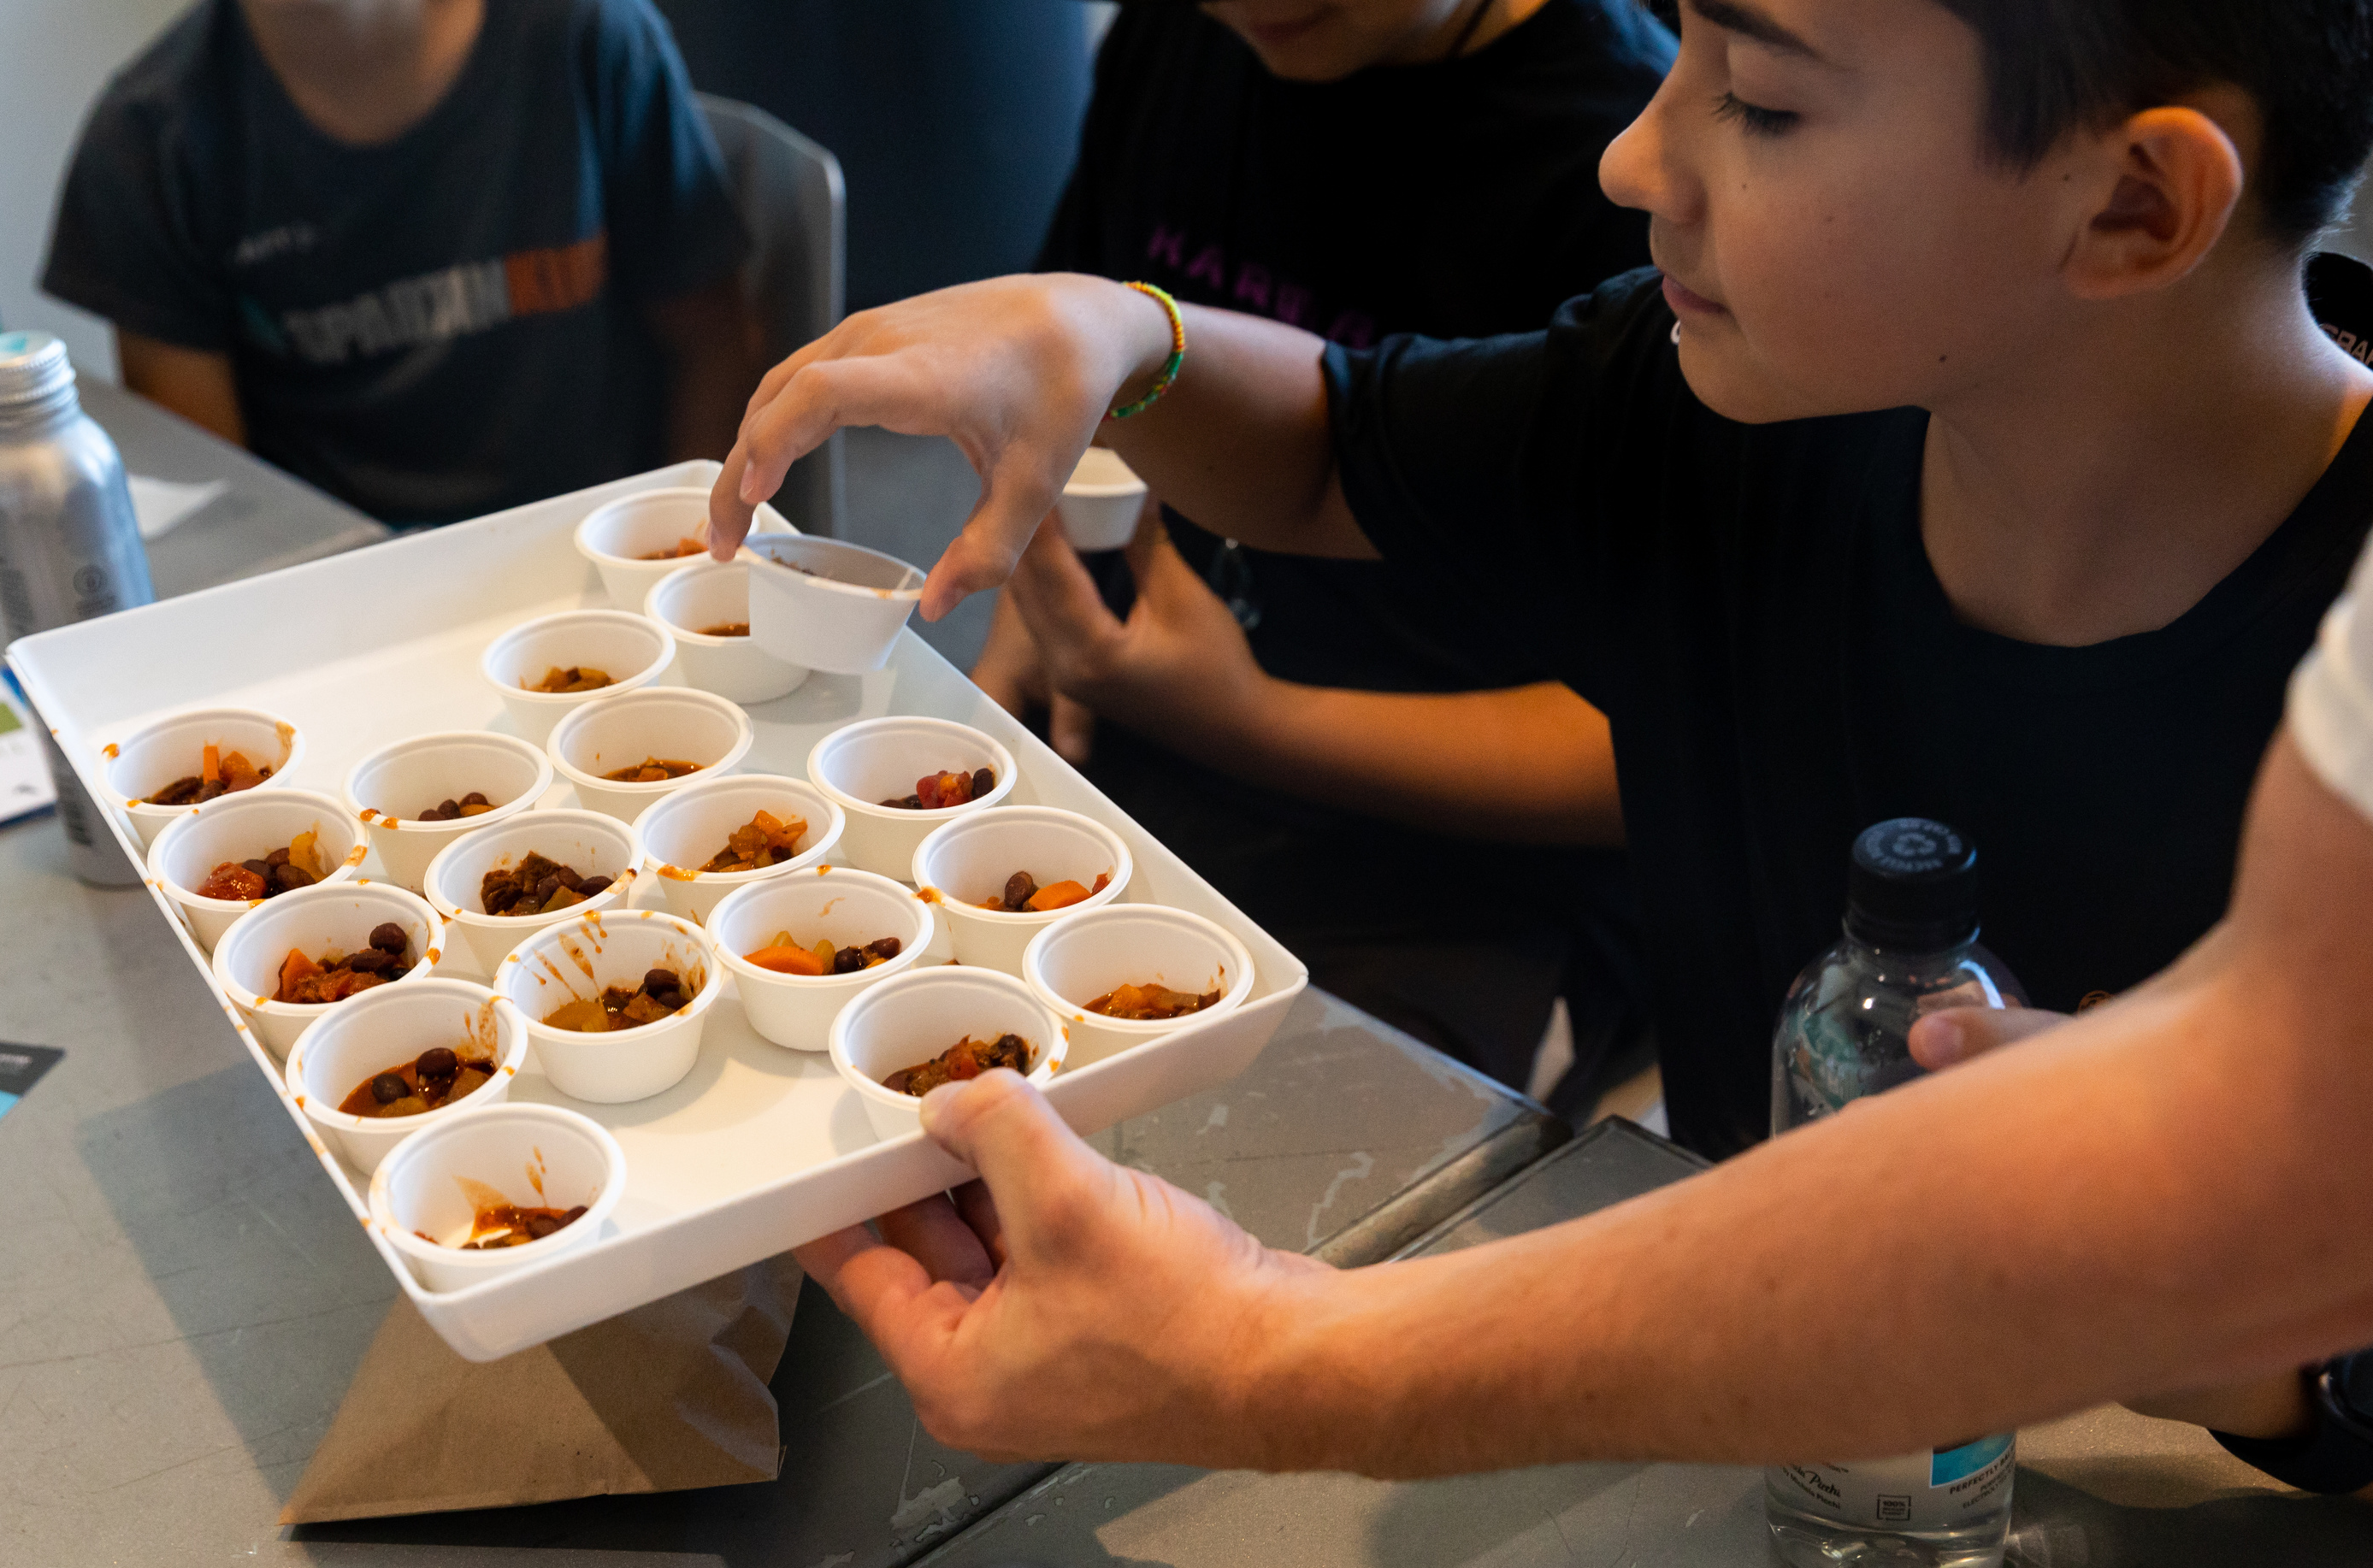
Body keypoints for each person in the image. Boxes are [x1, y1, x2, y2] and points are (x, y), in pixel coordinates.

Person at [701, 0, 2373, 1476]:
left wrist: (2233, 1340)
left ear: (2135, 202)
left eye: (1766, 102)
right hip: (1755, 1448)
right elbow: (1326, 455)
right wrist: (1129, 338)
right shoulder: (1729, 411)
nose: (1638, 154)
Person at [971, 0, 1674, 1104]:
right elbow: (1078, 414)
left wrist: (1249, 722)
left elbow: (1671, 742)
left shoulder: (1635, 166)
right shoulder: (1183, 45)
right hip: (1137, 772)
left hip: (1462, 894)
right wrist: (1018, 650)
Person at [39, 0, 760, 528]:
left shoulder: (587, 35)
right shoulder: (149, 141)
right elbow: (221, 497)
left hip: (604, 552)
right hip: (348, 591)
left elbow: (714, 348)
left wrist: (682, 550)